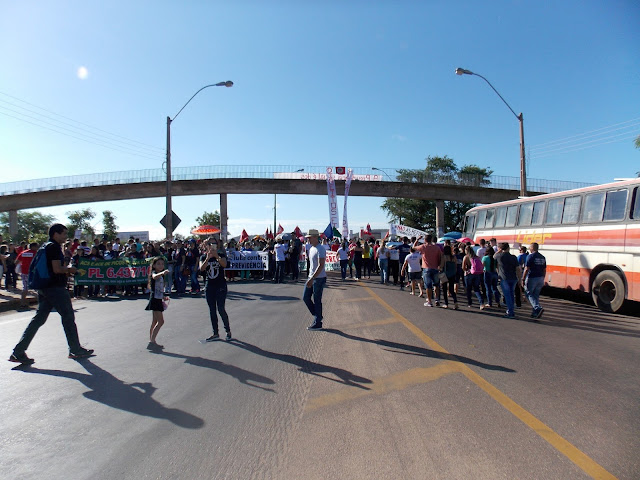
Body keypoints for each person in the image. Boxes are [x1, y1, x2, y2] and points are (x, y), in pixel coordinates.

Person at [9, 224, 94, 364]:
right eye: (64, 234)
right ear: (56, 234)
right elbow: (57, 269)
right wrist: (70, 270)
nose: (65, 237)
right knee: (68, 317)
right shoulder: (54, 247)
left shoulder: (45, 246)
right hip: (55, 288)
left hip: (45, 287)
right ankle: (75, 349)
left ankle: (18, 351)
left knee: (38, 320)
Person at [200, 239, 232, 341]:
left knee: (221, 309)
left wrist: (216, 256)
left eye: (214, 243)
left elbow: (224, 264)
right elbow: (201, 269)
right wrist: (208, 258)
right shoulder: (203, 257)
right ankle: (215, 333)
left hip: (220, 285)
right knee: (212, 310)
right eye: (210, 244)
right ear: (206, 245)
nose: (212, 245)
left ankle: (228, 331)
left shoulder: (221, 255)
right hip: (209, 286)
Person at [302, 229, 326, 330]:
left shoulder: (320, 249)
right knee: (305, 297)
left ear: (316, 237)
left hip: (319, 278)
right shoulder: (311, 248)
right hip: (312, 277)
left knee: (317, 300)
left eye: (310, 238)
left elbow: (321, 265)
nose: (308, 239)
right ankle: (317, 316)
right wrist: (310, 277)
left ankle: (318, 322)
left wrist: (312, 278)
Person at [145, 257, 169, 349]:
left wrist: (163, 297)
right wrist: (162, 273)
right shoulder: (154, 273)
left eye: (162, 264)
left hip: (158, 298)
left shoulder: (161, 276)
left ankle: (151, 340)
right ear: (154, 265)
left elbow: (158, 289)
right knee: (161, 321)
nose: (161, 266)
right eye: (158, 264)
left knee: (155, 321)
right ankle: (152, 341)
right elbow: (154, 277)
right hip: (155, 300)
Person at [414, 235, 442, 307]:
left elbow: (413, 248)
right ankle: (437, 299)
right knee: (436, 285)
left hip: (426, 268)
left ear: (425, 240)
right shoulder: (437, 247)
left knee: (428, 286)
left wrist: (417, 240)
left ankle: (429, 301)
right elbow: (440, 257)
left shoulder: (423, 247)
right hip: (435, 268)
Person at [494, 243, 519, 318]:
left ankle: (510, 312)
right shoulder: (513, 257)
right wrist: (519, 278)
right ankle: (511, 310)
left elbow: (493, 257)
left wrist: (498, 251)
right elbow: (518, 269)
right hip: (513, 278)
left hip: (504, 278)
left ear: (501, 249)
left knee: (507, 295)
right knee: (511, 294)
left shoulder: (499, 256)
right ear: (508, 248)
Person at [522, 242, 546, 319]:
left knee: (528, 293)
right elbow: (544, 269)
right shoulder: (542, 257)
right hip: (540, 278)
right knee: (535, 295)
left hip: (532, 277)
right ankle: (535, 313)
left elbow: (526, 268)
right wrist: (543, 277)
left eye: (530, 247)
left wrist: (523, 279)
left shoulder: (530, 256)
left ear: (532, 248)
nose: (529, 248)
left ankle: (537, 307)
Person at [16, 242, 38, 309]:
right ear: (33, 247)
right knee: (38, 287)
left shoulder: (23, 253)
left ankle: (22, 303)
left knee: (25, 287)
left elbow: (16, 262)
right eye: (36, 246)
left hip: (24, 272)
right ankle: (42, 303)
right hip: (33, 273)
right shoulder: (35, 253)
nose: (37, 248)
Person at [462, 245, 485, 309]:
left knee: (469, 289)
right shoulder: (476, 257)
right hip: (476, 274)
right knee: (477, 289)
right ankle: (481, 302)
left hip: (468, 274)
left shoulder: (466, 257)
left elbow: (463, 267)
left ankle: (470, 303)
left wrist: (466, 270)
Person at [440, 245, 459, 309]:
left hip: (445, 274)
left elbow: (441, 265)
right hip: (452, 274)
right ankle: (455, 301)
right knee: (451, 289)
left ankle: (446, 303)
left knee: (444, 289)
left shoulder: (444, 257)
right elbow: (456, 265)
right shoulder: (453, 257)